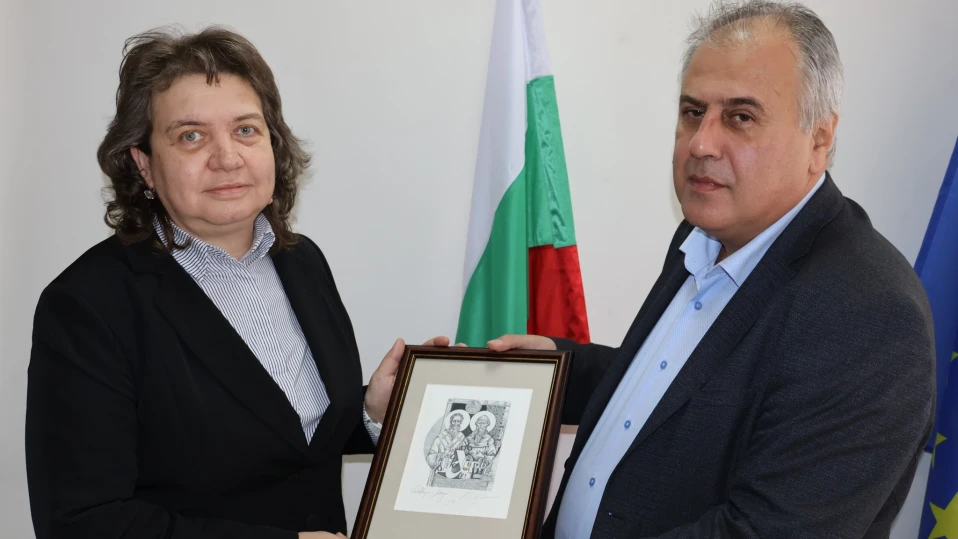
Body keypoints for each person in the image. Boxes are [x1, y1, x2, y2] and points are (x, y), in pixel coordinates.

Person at [485, 1, 936, 537]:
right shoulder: (703, 234)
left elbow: (764, 532)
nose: (701, 143)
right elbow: (685, 391)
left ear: (820, 139)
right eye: (693, 112)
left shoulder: (871, 317)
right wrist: (557, 369)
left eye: (740, 117)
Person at [24, 26, 444, 539]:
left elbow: (293, 440)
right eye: (191, 136)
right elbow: (81, 522)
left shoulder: (302, 261)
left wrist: (370, 412)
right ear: (145, 165)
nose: (227, 157)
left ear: (273, 144)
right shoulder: (87, 305)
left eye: (246, 129)